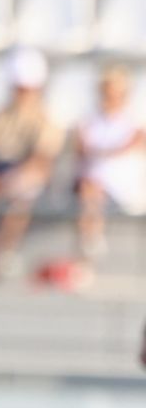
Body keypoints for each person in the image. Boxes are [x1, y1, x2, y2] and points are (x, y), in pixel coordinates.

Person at [0, 48, 64, 279]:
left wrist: (6, 181)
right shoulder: (0, 115)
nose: (22, 94)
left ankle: (1, 255)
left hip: (23, 176)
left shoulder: (46, 118)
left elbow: (41, 160)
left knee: (21, 192)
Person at [73, 65, 146, 265]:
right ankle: (89, 244)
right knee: (90, 188)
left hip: (123, 186)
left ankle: (89, 245)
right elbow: (83, 150)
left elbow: (131, 145)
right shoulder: (89, 120)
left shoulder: (135, 121)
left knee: (90, 188)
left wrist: (101, 153)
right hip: (93, 184)